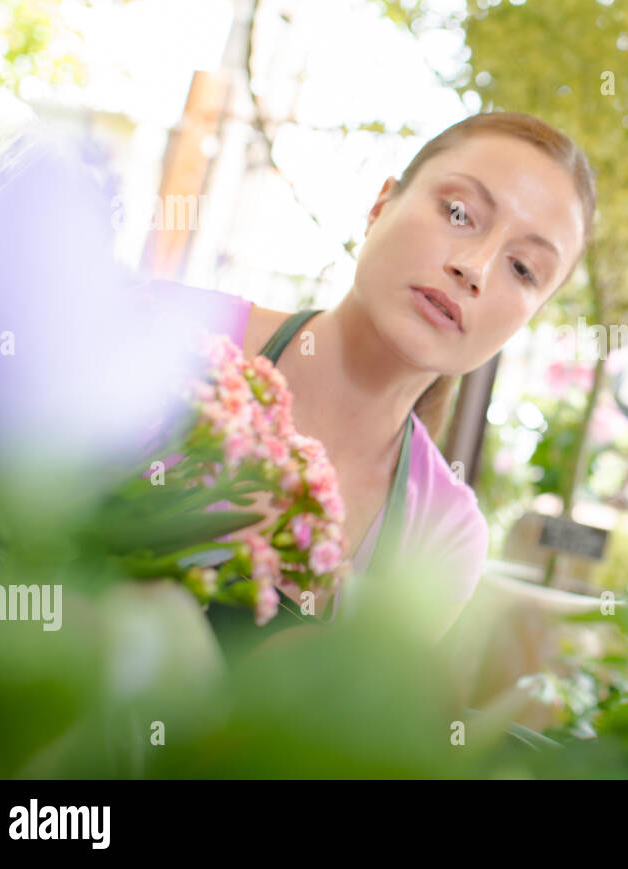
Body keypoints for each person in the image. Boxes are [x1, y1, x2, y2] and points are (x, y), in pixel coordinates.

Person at [150, 111, 596, 645]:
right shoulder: (171, 334)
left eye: (523, 269)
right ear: (381, 206)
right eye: (458, 212)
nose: (474, 268)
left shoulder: (443, 537)